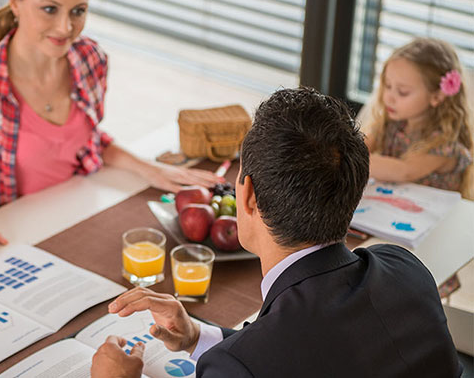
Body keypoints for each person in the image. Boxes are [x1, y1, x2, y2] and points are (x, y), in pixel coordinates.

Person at [91, 87, 462, 377]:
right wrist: (196, 337)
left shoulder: (241, 366)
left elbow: (269, 359)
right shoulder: (405, 270)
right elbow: (312, 357)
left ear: (247, 195)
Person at [0, 0, 220, 264]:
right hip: (9, 234)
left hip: (75, 213)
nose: (66, 27)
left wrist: (150, 169)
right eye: (50, 9)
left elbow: (86, 140)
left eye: (78, 11)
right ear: (15, 1)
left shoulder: (90, 59)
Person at [363, 38, 473, 198]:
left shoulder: (445, 145)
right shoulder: (392, 124)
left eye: (402, 92)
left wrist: (352, 159)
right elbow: (361, 146)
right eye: (387, 86)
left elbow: (404, 171)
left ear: (436, 97)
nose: (389, 97)